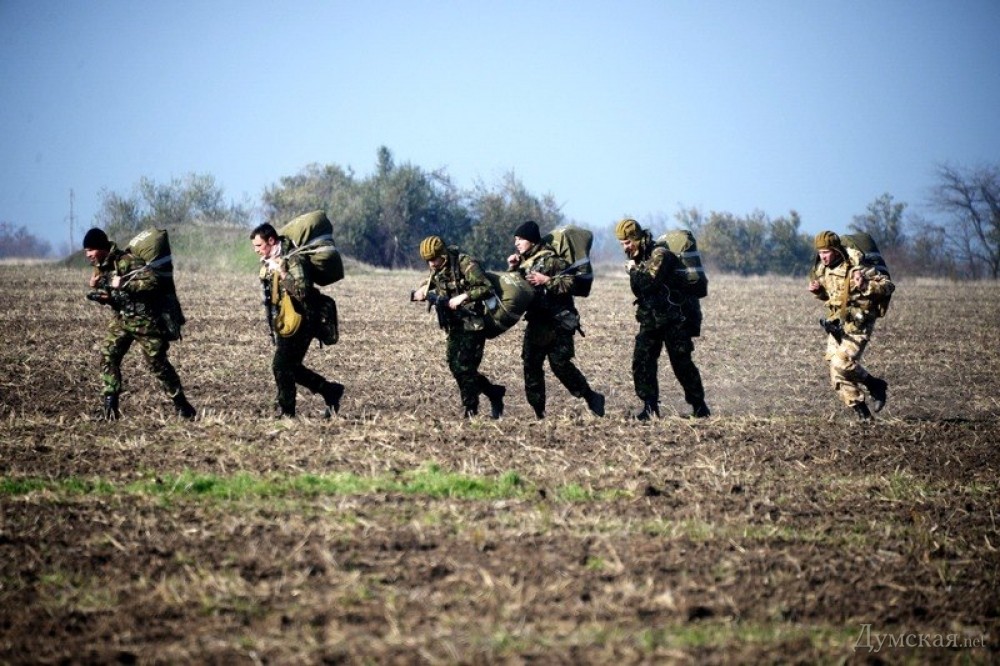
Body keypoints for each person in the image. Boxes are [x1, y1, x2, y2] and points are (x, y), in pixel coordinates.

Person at [82, 227, 196, 420]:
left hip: (144, 321)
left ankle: (183, 406)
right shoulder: (103, 268)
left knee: (157, 364)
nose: (88, 255)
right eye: (86, 251)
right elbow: (115, 295)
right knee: (108, 356)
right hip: (122, 320)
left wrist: (124, 284)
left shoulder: (127, 261)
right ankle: (110, 409)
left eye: (91, 250)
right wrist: (102, 295)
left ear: (101, 247)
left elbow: (152, 282)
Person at [506, 220, 604, 419]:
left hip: (559, 322)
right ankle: (539, 413)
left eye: (521, 239)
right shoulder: (525, 263)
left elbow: (575, 284)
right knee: (531, 365)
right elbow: (517, 290)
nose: (517, 243)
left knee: (560, 365)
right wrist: (513, 268)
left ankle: (591, 396)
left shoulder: (552, 261)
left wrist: (547, 281)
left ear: (532, 240)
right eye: (516, 239)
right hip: (537, 323)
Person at [614, 218, 710, 419]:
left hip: (675, 318)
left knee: (681, 363)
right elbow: (638, 290)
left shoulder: (660, 254)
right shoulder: (641, 257)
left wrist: (633, 270)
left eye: (628, 242)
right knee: (642, 360)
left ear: (637, 238)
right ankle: (650, 407)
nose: (625, 248)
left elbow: (648, 282)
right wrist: (635, 269)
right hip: (652, 319)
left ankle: (700, 407)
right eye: (622, 244)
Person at [250, 223, 344, 418]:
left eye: (259, 245)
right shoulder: (270, 261)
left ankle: (288, 413)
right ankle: (330, 391)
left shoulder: (294, 259)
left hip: (304, 319)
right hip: (288, 321)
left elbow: (303, 292)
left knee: (281, 366)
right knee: (291, 367)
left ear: (271, 241)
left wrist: (283, 273)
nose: (256, 250)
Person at [411, 235, 506, 418]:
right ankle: (493, 392)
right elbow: (433, 281)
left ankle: (471, 410)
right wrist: (422, 290)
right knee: (456, 366)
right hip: (454, 325)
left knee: (464, 366)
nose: (431, 263)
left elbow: (486, 288)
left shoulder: (465, 264)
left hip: (473, 324)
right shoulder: (438, 268)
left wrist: (464, 297)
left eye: (434, 259)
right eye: (428, 260)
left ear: (443, 254)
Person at [808, 231, 893, 420]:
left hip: (859, 324)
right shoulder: (823, 270)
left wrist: (865, 285)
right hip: (837, 324)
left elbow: (888, 286)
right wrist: (819, 291)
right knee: (836, 373)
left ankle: (874, 385)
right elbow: (832, 296)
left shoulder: (856, 267)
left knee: (840, 363)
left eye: (826, 252)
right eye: (820, 253)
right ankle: (864, 415)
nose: (823, 256)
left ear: (836, 250)